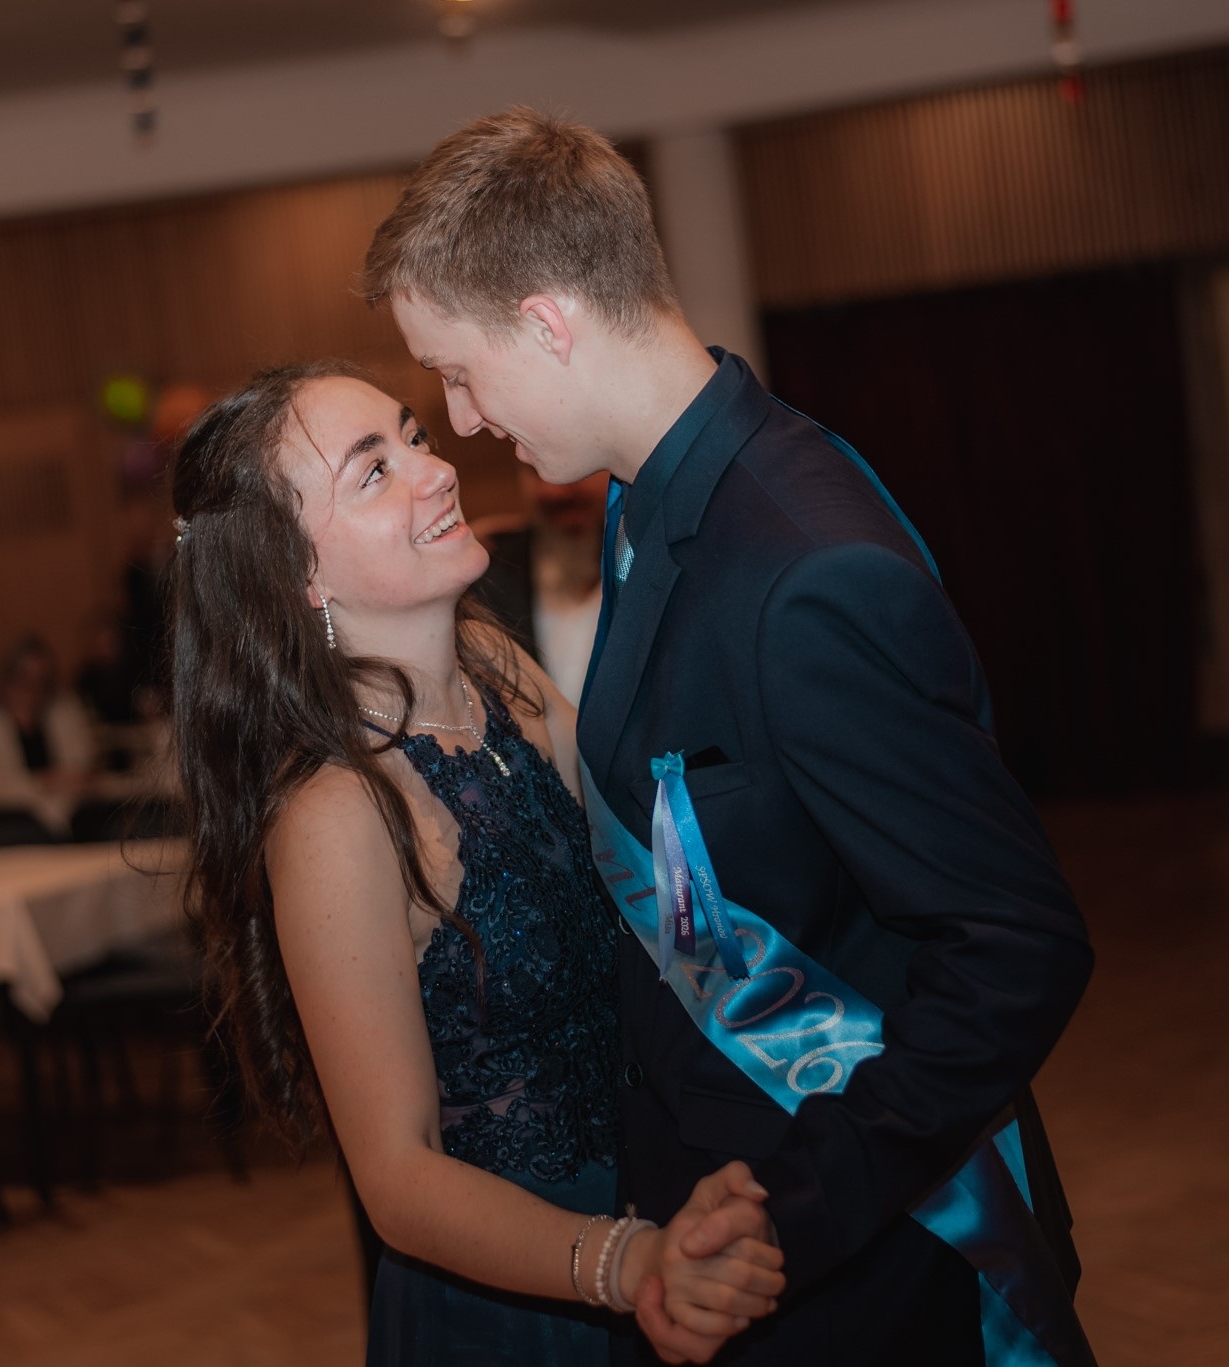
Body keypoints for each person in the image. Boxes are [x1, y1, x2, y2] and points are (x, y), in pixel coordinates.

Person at [363, 109, 1095, 1366]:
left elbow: (1015, 946)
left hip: (861, 1268)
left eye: (459, 371)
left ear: (547, 321)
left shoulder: (801, 567)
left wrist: (791, 1211)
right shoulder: (657, 495)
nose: (463, 419)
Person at [167, 363, 785, 1366]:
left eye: (413, 436)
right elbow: (397, 1178)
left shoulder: (498, 669)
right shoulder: (337, 812)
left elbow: (649, 878)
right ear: (297, 576)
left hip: (650, 1213)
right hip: (519, 1305)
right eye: (374, 470)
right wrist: (623, 1261)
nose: (438, 468)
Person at [470, 466, 610, 706]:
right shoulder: (489, 570)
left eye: (573, 472)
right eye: (534, 472)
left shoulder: (654, 567)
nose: (553, 492)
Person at [0, 635, 97, 837]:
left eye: (43, 681)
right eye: (24, 678)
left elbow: (81, 772)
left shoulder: (63, 713)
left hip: (70, 813)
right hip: (1, 820)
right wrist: (46, 782)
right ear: (6, 679)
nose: (33, 688)